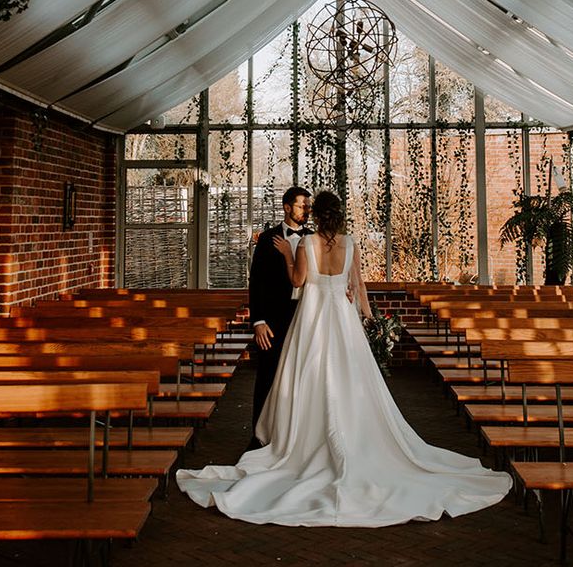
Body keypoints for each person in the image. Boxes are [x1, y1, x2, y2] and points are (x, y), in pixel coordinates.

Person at [176, 190, 512, 527]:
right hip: (342, 319)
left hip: (312, 319)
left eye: (311, 209)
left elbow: (297, 280)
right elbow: (359, 287)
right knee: (349, 376)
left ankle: (301, 443)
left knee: (308, 376)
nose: (306, 211)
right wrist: (372, 323)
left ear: (318, 215)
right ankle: (351, 437)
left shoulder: (307, 244)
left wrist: (289, 257)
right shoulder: (350, 243)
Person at [247, 185, 311, 437]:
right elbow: (257, 282)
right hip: (273, 319)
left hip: (305, 315)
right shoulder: (267, 239)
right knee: (268, 375)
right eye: (301, 205)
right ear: (287, 207)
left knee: (302, 376)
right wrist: (258, 321)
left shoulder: (314, 238)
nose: (306, 210)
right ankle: (259, 436)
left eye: (308, 206)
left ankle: (297, 435)